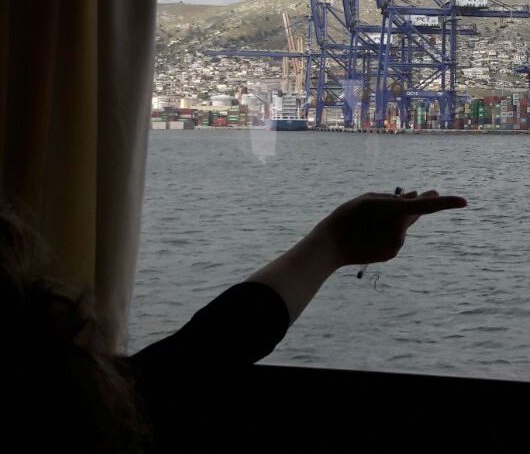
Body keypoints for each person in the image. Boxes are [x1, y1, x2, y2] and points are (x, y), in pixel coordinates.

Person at [1, 189, 467, 450]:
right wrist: (335, 242)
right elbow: (206, 351)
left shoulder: (57, 412)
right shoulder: (87, 418)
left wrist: (337, 242)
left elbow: (205, 349)